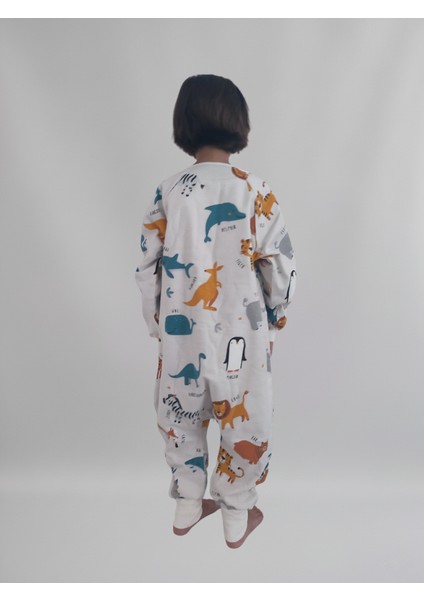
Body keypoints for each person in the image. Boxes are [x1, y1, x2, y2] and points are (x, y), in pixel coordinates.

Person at [135, 74, 297, 549]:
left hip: (182, 334)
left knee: (180, 413)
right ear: (238, 123)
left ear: (182, 123)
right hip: (242, 336)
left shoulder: (168, 191)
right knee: (246, 418)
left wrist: (158, 325)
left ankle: (188, 504)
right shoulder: (255, 190)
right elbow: (279, 265)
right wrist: (275, 319)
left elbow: (147, 267)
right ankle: (237, 512)